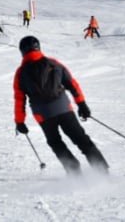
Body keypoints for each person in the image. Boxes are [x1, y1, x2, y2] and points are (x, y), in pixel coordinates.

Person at [13, 36, 108, 175]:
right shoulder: (54, 63)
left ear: (22, 51)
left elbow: (19, 99)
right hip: (64, 109)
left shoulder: (20, 73)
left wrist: (20, 122)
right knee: (81, 139)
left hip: (43, 115)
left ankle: (73, 171)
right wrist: (82, 104)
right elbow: (72, 84)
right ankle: (101, 170)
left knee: (55, 142)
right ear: (38, 47)